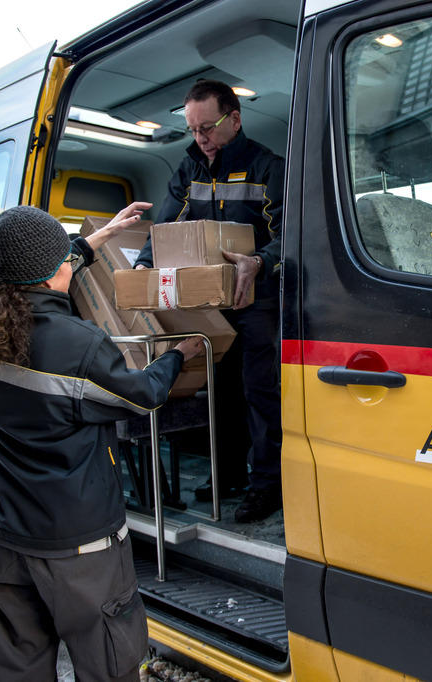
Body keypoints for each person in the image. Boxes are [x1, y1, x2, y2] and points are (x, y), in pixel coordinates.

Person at [0, 203, 203, 682]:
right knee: (108, 665)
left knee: (21, 668)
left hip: (4, 538)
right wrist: (179, 354)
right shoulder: (79, 345)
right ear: (57, 271)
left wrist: (98, 239)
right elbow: (144, 396)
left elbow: (34, 270)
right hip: (78, 549)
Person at [133, 79, 284, 523]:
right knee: (220, 393)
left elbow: (288, 237)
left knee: (261, 395)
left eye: (208, 128)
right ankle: (229, 474)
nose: (201, 139)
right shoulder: (190, 169)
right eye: (194, 130)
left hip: (258, 300)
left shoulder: (266, 167)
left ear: (234, 119)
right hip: (211, 303)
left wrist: (259, 261)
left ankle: (267, 485)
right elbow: (166, 226)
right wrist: (144, 265)